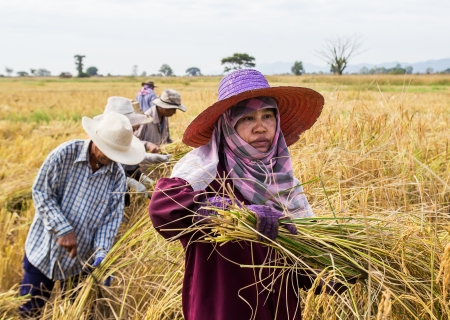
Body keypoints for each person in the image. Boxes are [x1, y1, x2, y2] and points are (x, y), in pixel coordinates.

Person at [149, 69, 325, 320]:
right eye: (247, 119)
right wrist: (223, 210)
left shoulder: (285, 182)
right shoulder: (205, 173)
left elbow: (303, 258)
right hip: (223, 307)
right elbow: (161, 209)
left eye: (267, 116)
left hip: (279, 308)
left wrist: (326, 272)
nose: (261, 128)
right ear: (228, 125)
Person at [19, 112, 146, 317]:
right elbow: (41, 193)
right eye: (108, 151)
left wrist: (102, 252)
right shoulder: (64, 155)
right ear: (95, 141)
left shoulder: (116, 175)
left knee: (77, 312)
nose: (112, 159)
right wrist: (63, 229)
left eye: (116, 155)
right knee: (29, 311)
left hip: (81, 260)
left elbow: (111, 219)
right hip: (44, 252)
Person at [93, 96, 171, 201]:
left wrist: (154, 160)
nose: (137, 127)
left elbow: (130, 153)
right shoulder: (100, 145)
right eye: (134, 124)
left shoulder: (122, 137)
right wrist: (129, 181)